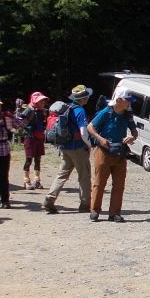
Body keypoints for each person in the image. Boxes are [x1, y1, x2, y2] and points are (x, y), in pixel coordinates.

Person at [86, 89, 138, 222]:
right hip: (103, 151)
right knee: (99, 182)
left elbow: (134, 132)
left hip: (120, 152)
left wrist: (132, 137)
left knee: (119, 184)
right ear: (119, 100)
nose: (130, 104)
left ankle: (114, 213)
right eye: (128, 101)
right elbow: (90, 127)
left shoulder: (128, 114)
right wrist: (100, 139)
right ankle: (95, 211)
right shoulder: (106, 112)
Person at [43, 85, 92, 214]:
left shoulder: (66, 108)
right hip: (77, 147)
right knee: (84, 176)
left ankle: (50, 198)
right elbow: (83, 131)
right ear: (84, 98)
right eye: (87, 96)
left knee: (62, 174)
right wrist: (89, 145)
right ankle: (85, 204)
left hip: (64, 147)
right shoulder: (80, 111)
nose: (88, 98)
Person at [18, 91, 49, 190]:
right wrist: (26, 127)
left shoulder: (41, 111)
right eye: (41, 101)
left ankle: (37, 180)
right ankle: (26, 180)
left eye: (43, 101)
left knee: (38, 159)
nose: (43, 102)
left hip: (39, 137)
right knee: (29, 159)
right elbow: (19, 119)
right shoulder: (29, 109)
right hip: (30, 137)